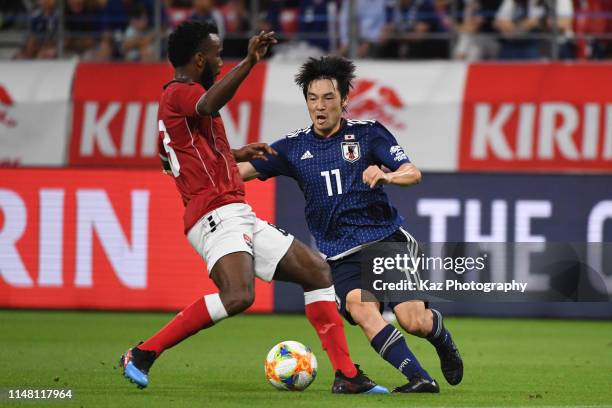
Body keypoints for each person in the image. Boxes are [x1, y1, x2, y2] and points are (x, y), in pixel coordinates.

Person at [119, 22, 387, 395]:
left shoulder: (179, 107)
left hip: (233, 210)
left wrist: (236, 154)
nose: (219, 61)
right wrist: (249, 62)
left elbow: (177, 158)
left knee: (316, 271)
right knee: (239, 295)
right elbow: (208, 103)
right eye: (216, 55)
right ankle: (142, 353)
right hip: (213, 215)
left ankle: (347, 375)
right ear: (199, 59)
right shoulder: (182, 92)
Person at [237, 56, 463, 393]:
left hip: (383, 239)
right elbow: (238, 173)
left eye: (328, 97)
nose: (320, 106)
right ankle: (420, 379)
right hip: (340, 254)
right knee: (361, 309)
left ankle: (441, 336)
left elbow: (412, 172)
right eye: (313, 98)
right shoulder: (292, 147)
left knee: (412, 320)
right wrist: (191, 167)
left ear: (344, 100)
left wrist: (386, 175)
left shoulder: (368, 134)